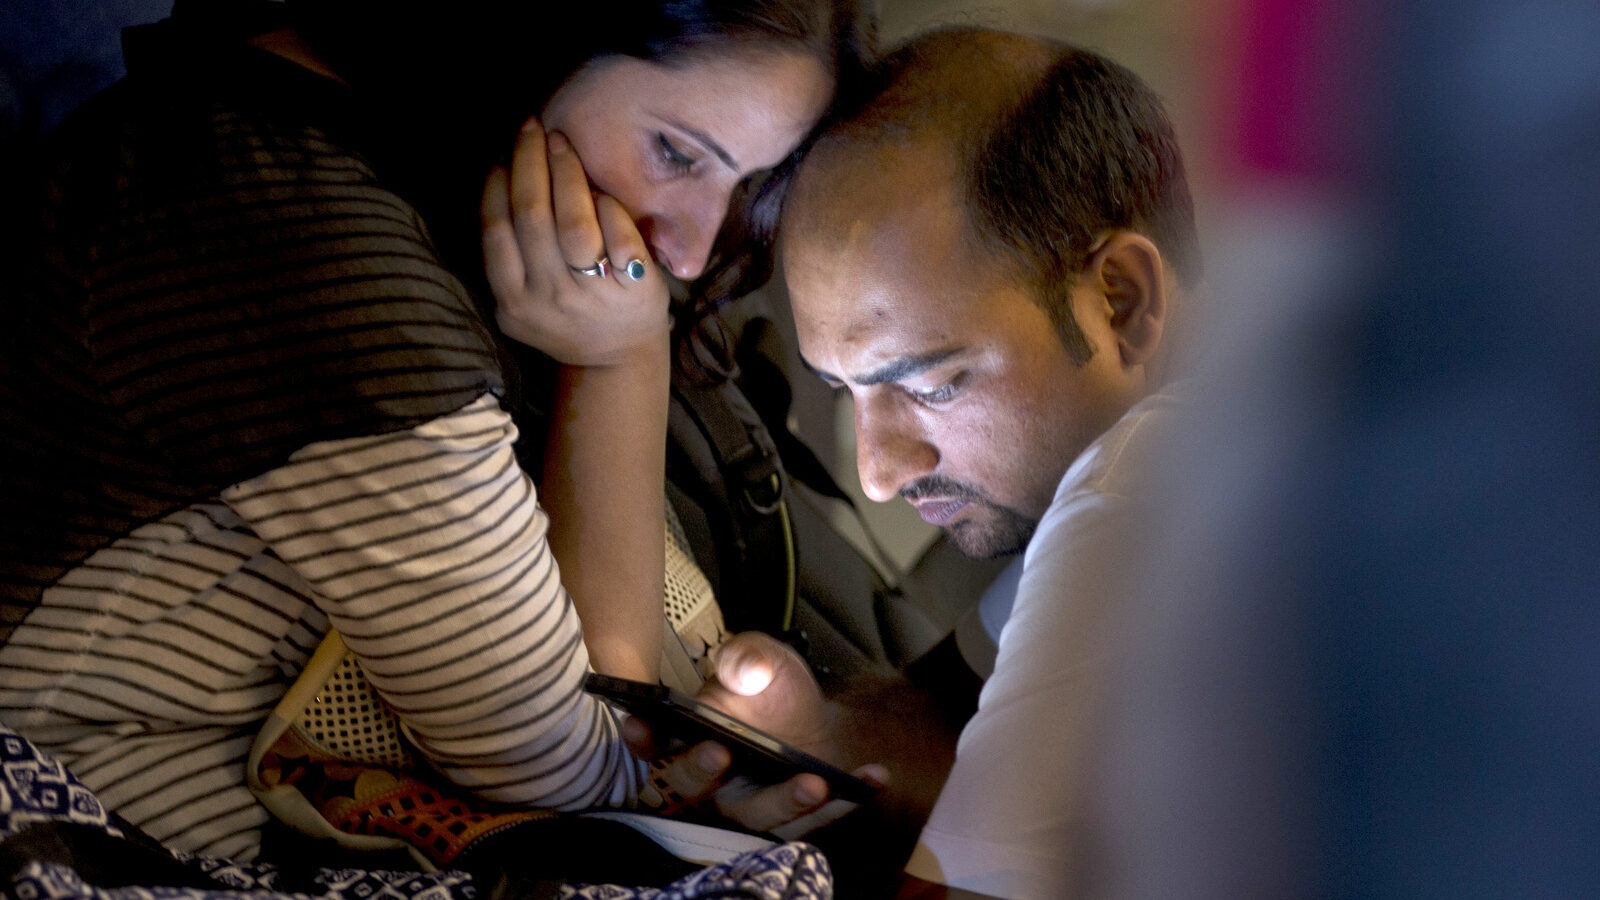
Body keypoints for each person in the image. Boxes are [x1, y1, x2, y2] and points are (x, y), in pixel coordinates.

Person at [0, 0, 870, 863]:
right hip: (110, 835)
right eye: (675, 152)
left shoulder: (327, 123)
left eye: (744, 186)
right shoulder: (324, 251)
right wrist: (621, 364)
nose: (687, 253)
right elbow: (570, 769)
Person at [649, 26, 1203, 898]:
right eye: (845, 392)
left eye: (935, 385)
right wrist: (813, 731)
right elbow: (952, 711)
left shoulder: (1156, 482)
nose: (878, 471)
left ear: (1122, 300)